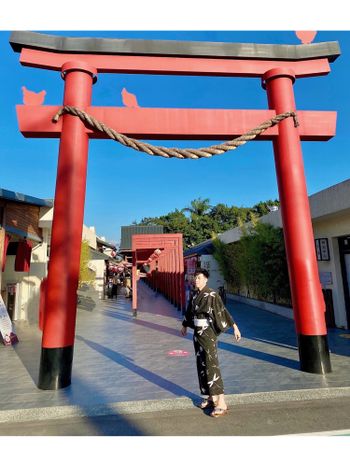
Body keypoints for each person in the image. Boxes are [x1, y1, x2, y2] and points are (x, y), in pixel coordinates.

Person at [181, 268, 241, 418]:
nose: (196, 280)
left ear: (206, 279)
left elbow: (223, 311)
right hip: (197, 334)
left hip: (208, 334)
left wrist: (234, 327)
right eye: (195, 278)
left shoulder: (212, 295)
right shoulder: (195, 295)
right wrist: (184, 324)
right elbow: (189, 312)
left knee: (211, 364)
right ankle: (209, 396)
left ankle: (221, 401)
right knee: (201, 365)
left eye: (199, 278)